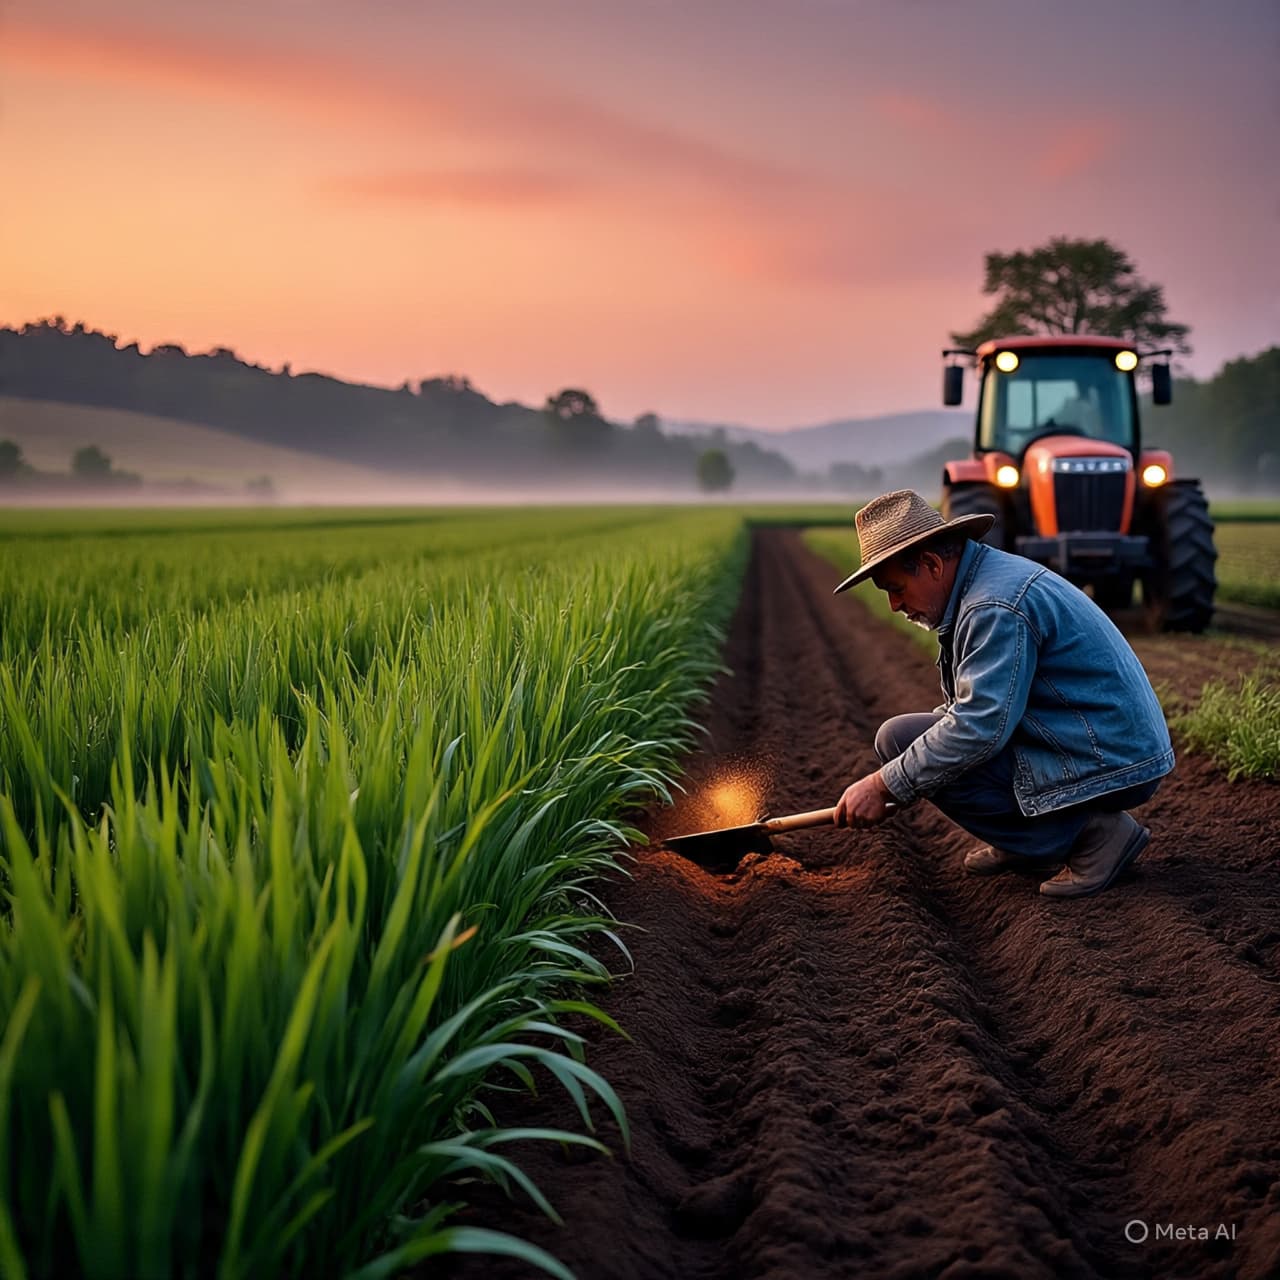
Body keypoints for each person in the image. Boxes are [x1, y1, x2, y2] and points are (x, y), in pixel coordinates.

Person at [829, 489, 1174, 898]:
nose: (894, 605)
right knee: (899, 739)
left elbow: (979, 728)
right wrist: (905, 775)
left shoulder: (992, 605)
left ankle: (1095, 835)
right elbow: (975, 711)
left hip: (1112, 757)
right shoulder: (983, 584)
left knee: (916, 750)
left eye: (897, 588)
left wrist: (886, 784)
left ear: (932, 564)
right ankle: (1028, 845)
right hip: (1086, 737)